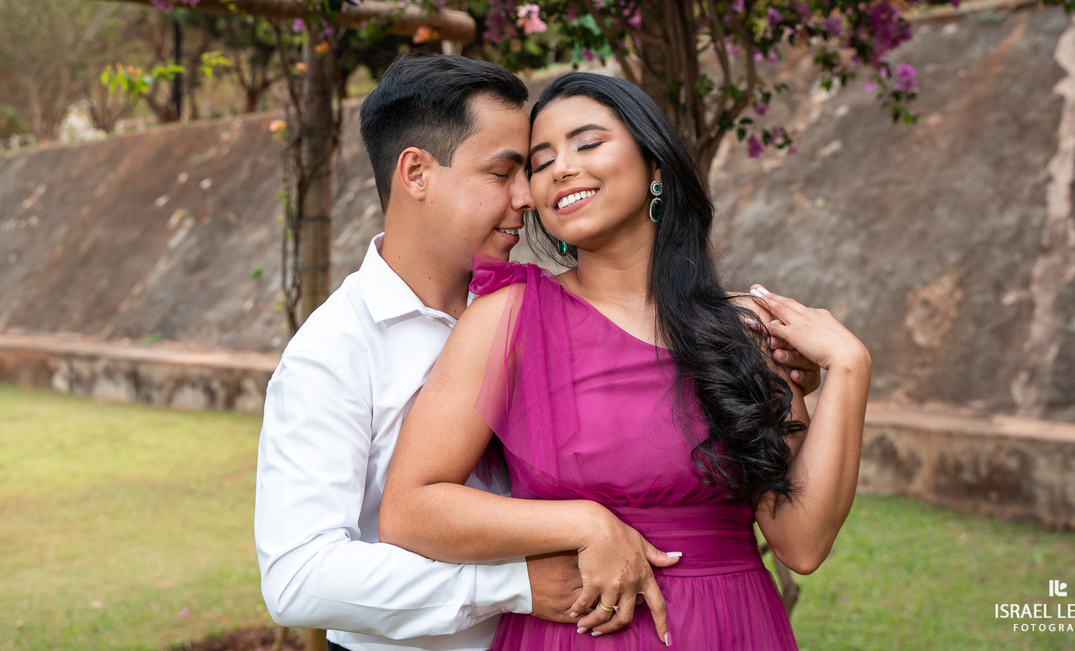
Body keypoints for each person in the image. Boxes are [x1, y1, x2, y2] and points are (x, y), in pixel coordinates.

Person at [254, 55, 824, 651]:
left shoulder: (529, 306)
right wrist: (515, 584)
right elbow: (298, 579)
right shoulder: (333, 353)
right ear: (417, 174)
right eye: (505, 172)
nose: (530, 195)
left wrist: (757, 386)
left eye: (529, 171)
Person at [379, 72, 872, 649]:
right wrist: (582, 522)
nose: (561, 168)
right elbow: (410, 511)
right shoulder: (508, 319)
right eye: (541, 162)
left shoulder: (743, 332)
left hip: (733, 628)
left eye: (588, 144)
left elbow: (802, 543)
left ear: (654, 164)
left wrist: (849, 367)